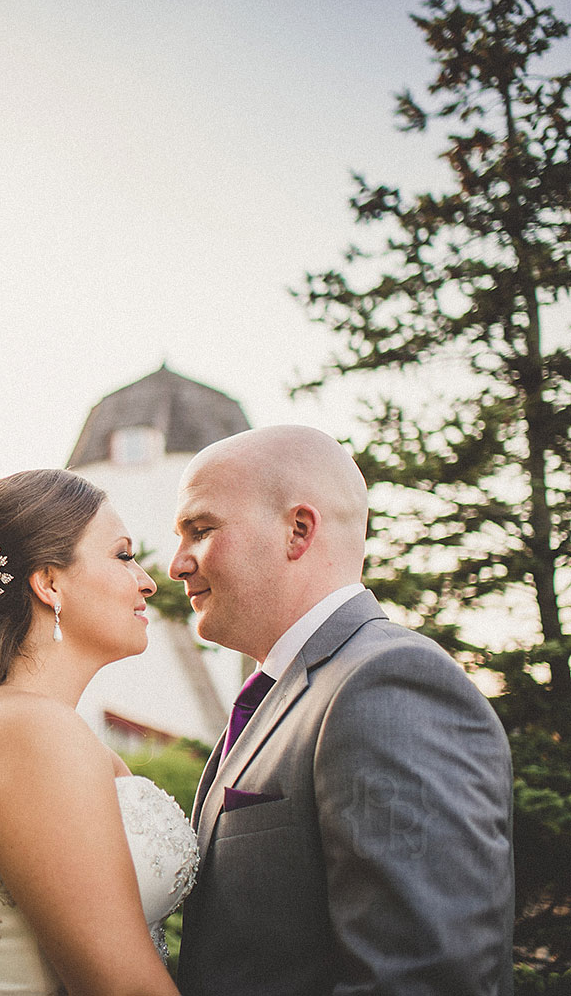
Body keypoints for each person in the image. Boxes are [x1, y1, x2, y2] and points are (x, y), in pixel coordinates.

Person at [169, 425, 515, 995]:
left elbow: (423, 979)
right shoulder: (286, 691)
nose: (180, 563)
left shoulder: (387, 684)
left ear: (298, 531)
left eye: (201, 530)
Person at [0, 468, 195, 996]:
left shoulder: (37, 731)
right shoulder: (26, 733)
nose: (147, 580)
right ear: (48, 582)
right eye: (122, 555)